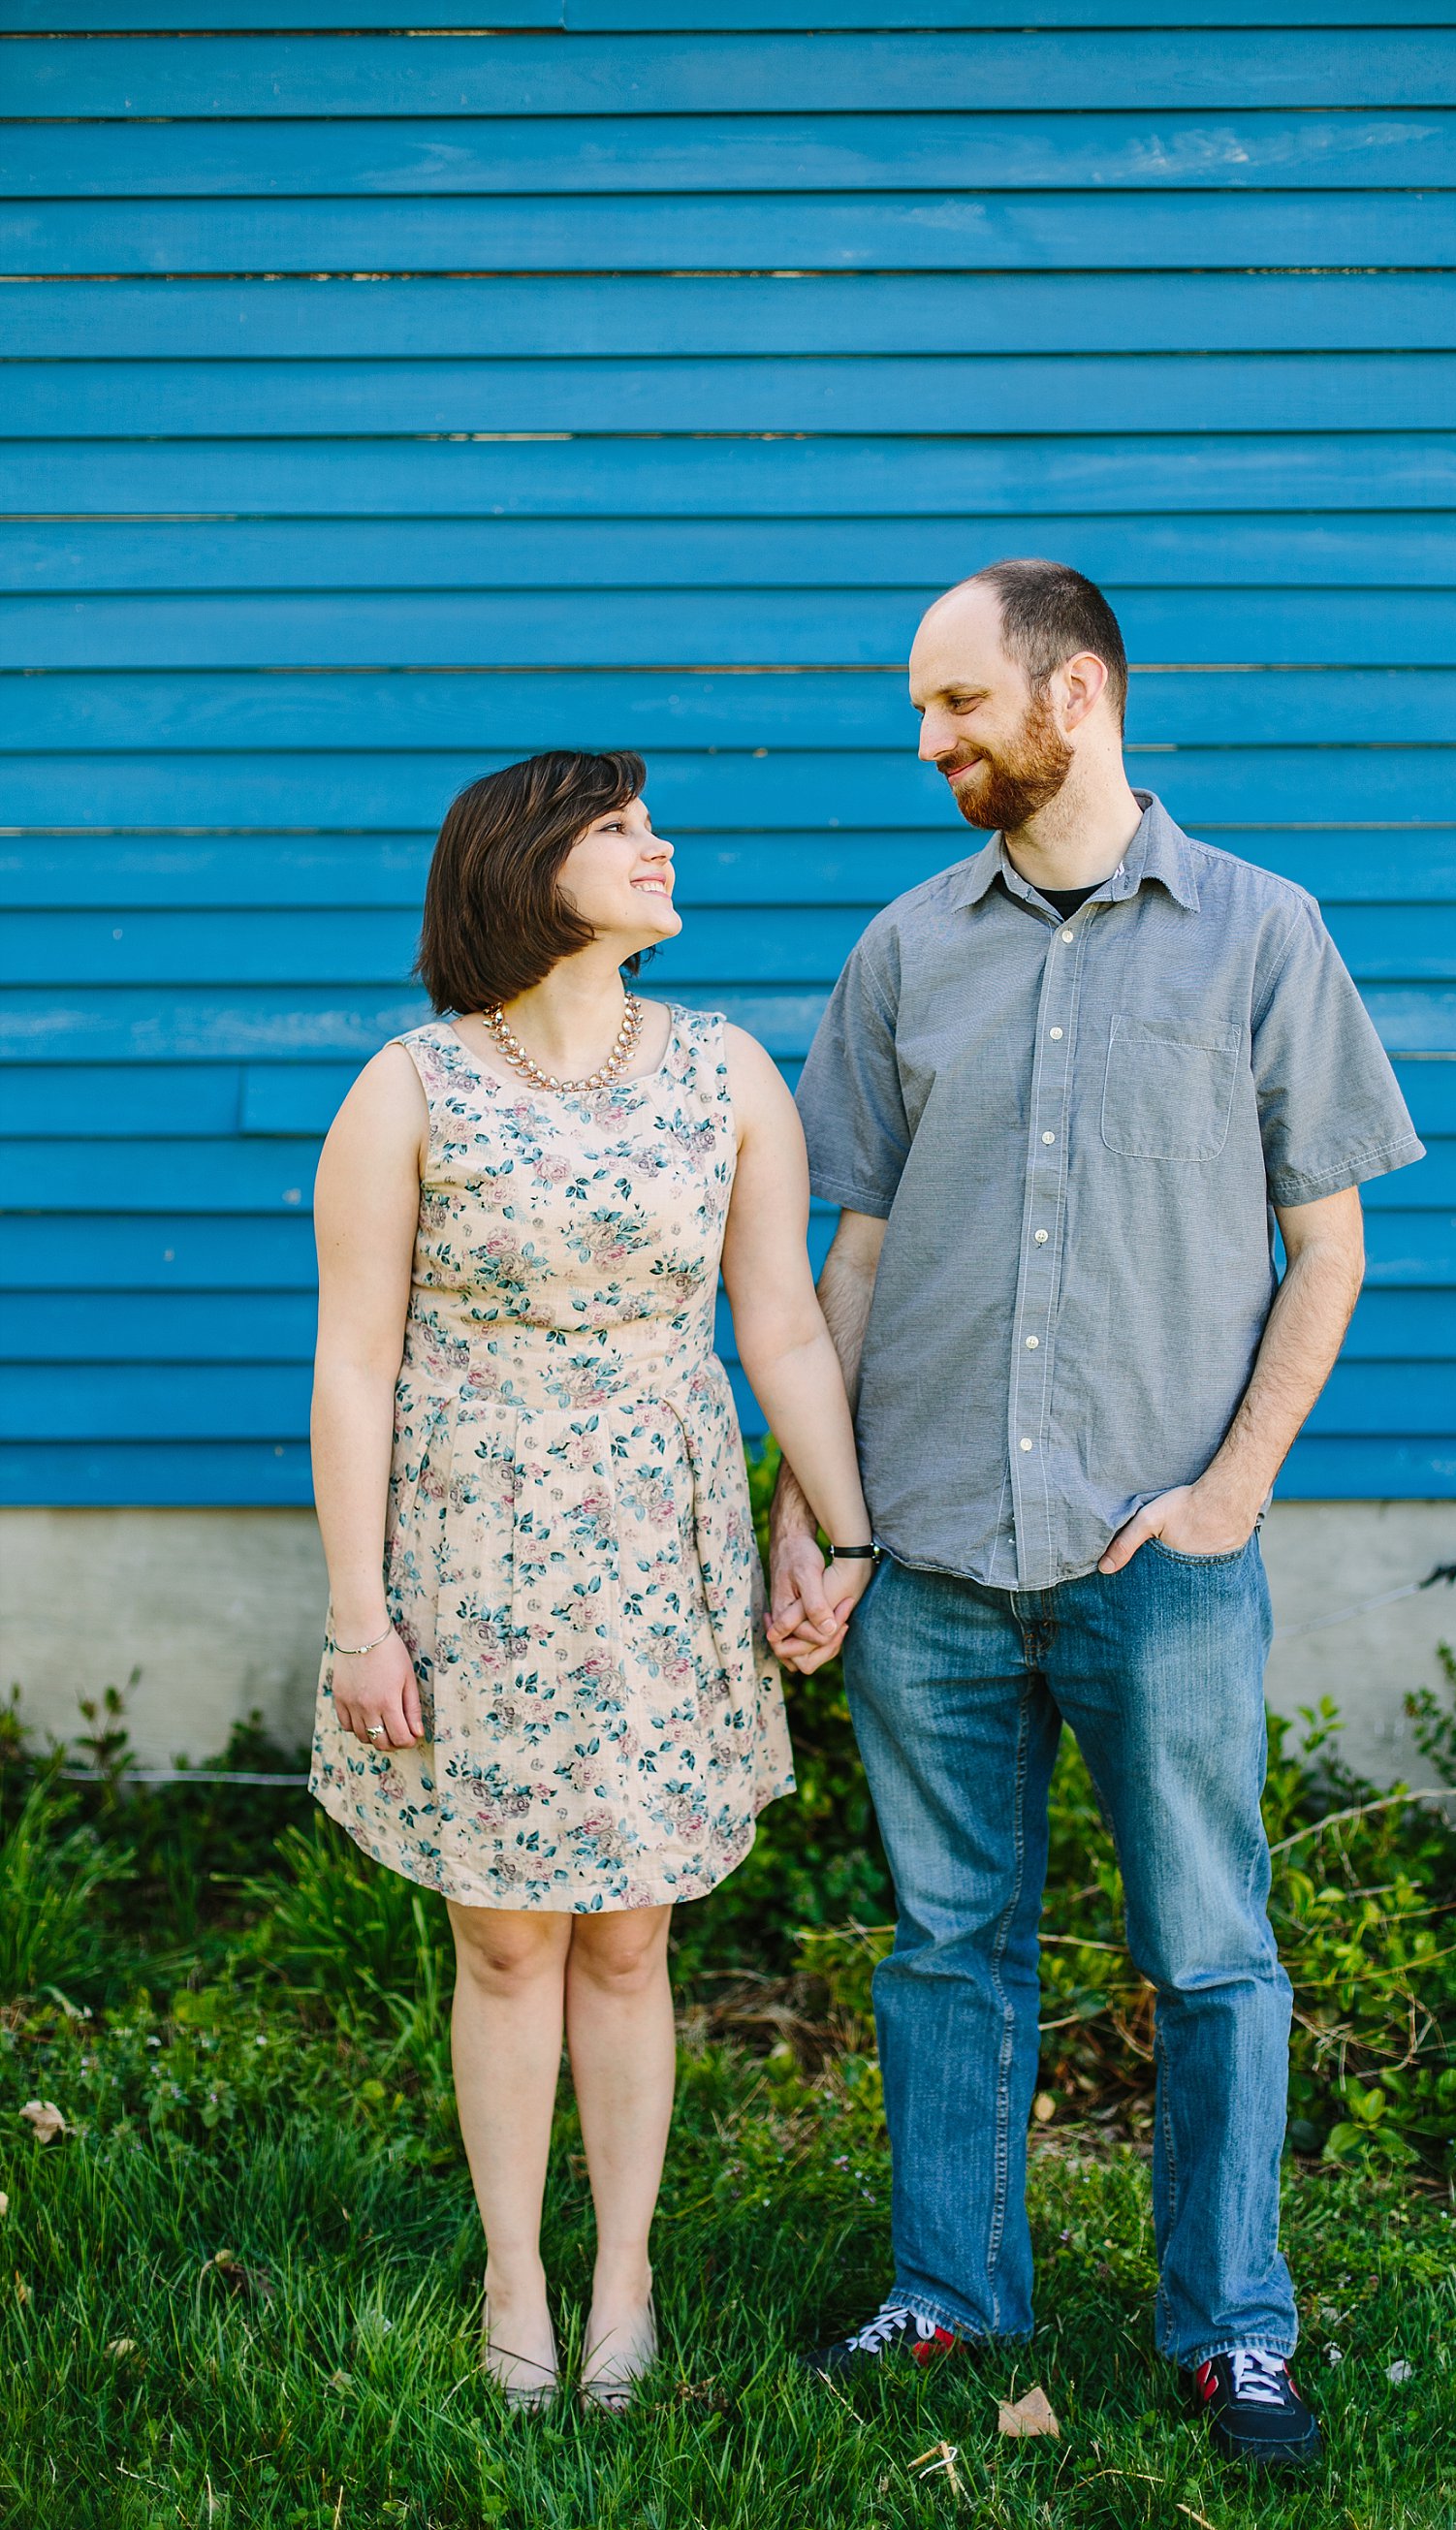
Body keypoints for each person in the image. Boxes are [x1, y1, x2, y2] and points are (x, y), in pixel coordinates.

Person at [768, 558, 1422, 2471]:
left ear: (1072, 700)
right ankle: (951, 2292)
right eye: (921, 708)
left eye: (956, 704)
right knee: (940, 1948)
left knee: (1211, 1950)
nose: (928, 742)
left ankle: (1234, 2329)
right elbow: (858, 1251)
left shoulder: (1263, 935)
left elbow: (1329, 1247)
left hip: (1163, 1561)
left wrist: (1233, 1490)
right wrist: (827, 1515)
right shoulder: (906, 950)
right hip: (933, 1557)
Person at [307, 750, 878, 2412]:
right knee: (504, 1947)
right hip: (467, 1554)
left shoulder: (724, 1073)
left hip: (660, 1551)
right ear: (528, 865)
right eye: (624, 831)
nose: (661, 848)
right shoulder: (409, 1087)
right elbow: (351, 1364)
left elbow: (776, 1325)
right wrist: (361, 1615)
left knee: (629, 1942)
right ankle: (514, 2276)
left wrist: (837, 1533)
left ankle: (621, 2270)